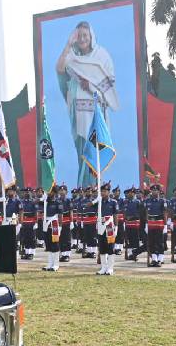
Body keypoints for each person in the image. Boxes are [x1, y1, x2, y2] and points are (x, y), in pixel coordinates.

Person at [56, 21, 119, 184]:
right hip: (78, 116)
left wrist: (90, 86)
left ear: (91, 36)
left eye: (86, 35)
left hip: (95, 117)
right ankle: (82, 191)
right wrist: (68, 45)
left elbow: (109, 92)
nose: (83, 39)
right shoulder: (71, 56)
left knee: (93, 155)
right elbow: (60, 69)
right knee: (82, 155)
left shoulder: (102, 56)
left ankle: (93, 190)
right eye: (79, 35)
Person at [96, 183, 118, 275]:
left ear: (108, 192)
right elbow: (88, 206)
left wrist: (116, 227)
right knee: (102, 247)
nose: (103, 193)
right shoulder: (99, 202)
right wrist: (95, 201)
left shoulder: (113, 202)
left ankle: (110, 268)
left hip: (109, 226)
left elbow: (115, 215)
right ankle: (103, 268)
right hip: (100, 225)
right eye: (101, 191)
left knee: (110, 247)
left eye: (105, 191)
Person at [144, 184, 167, 267]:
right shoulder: (147, 201)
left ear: (159, 191)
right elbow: (147, 213)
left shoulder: (162, 201)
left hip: (159, 223)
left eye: (156, 190)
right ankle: (154, 259)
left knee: (160, 242)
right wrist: (146, 224)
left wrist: (165, 225)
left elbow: (165, 213)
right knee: (152, 242)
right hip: (150, 224)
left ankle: (160, 259)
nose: (154, 192)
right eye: (153, 190)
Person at [41, 185, 62, 271]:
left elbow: (60, 216)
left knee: (55, 245)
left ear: (54, 192)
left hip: (54, 224)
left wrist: (60, 227)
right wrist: (43, 198)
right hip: (46, 223)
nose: (48, 193)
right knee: (48, 244)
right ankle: (50, 263)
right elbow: (35, 202)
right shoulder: (45, 201)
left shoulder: (58, 202)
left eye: (50, 191)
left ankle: (56, 264)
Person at [123, 188, 144, 261]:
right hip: (127, 223)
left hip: (135, 223)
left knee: (135, 239)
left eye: (132, 193)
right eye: (129, 193)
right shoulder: (125, 202)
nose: (130, 194)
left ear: (134, 194)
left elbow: (141, 213)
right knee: (128, 240)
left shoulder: (138, 202)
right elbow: (124, 212)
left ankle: (134, 254)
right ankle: (129, 254)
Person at [19, 188, 39, 260]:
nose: (27, 193)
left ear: (31, 193)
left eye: (28, 192)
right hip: (24, 222)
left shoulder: (34, 202)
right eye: (25, 192)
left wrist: (36, 223)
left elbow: (36, 213)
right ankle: (27, 253)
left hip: (31, 222)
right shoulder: (21, 202)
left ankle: (31, 253)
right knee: (25, 238)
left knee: (32, 238)